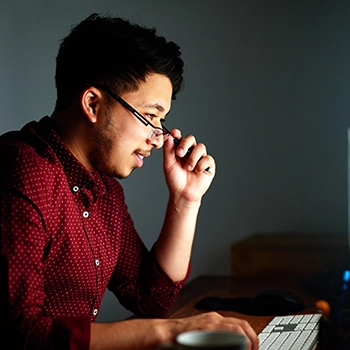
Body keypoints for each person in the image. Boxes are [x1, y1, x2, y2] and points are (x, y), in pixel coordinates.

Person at [0, 13, 259, 350]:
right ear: (93, 104)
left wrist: (185, 200)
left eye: (161, 121)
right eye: (150, 116)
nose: (157, 137)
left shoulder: (104, 190)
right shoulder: (22, 172)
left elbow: (150, 298)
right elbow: (22, 333)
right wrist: (168, 332)